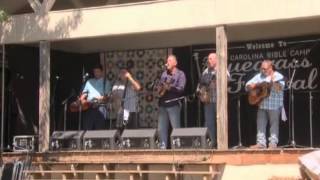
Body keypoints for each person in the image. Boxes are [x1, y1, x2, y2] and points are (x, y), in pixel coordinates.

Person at [246, 59, 285, 149]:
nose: (263, 71)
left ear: (271, 68)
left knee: (274, 125)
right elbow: (247, 85)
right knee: (260, 124)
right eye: (262, 69)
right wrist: (254, 86)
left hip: (274, 106)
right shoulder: (259, 76)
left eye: (265, 69)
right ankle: (261, 143)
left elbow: (281, 88)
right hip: (262, 105)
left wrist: (273, 83)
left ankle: (273, 144)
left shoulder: (278, 76)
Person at [196, 53, 229, 147]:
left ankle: (222, 144)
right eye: (208, 59)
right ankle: (212, 144)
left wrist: (217, 82)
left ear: (216, 60)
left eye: (210, 59)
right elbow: (200, 84)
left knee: (221, 123)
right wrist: (200, 93)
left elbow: (228, 80)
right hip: (208, 101)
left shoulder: (222, 69)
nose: (208, 60)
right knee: (209, 123)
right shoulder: (206, 71)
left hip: (219, 102)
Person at [157, 54, 186, 149]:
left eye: (169, 61)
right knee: (161, 129)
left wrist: (170, 88)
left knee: (176, 128)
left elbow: (181, 89)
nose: (167, 63)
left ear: (175, 63)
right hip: (162, 105)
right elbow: (159, 87)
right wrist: (160, 88)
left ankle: (177, 148)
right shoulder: (164, 74)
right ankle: (163, 148)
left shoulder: (180, 74)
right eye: (167, 61)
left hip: (173, 104)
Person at [80, 64, 112, 130]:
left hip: (100, 107)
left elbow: (107, 96)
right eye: (95, 72)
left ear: (102, 72)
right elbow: (84, 93)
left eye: (98, 71)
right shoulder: (89, 81)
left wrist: (98, 99)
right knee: (87, 128)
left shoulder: (106, 82)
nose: (96, 73)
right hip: (88, 107)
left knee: (99, 129)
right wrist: (81, 100)